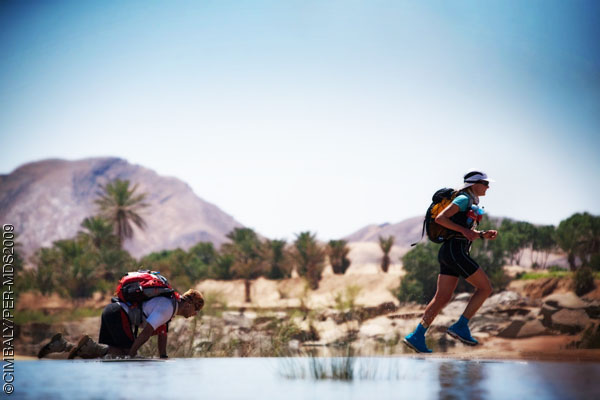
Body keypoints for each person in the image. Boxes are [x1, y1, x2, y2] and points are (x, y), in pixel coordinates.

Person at [403, 170, 498, 353]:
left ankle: (417, 335)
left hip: (450, 251)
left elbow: (463, 230)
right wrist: (465, 232)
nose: (488, 187)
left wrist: (481, 234)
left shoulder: (469, 201)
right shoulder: (463, 199)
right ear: (474, 184)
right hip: (455, 252)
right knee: (485, 288)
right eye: (485, 184)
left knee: (442, 297)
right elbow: (441, 219)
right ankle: (461, 326)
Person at [38, 288, 204, 359]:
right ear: (189, 304)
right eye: (196, 310)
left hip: (112, 311)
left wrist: (163, 356)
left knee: (107, 355)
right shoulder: (168, 307)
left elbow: (162, 334)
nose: (194, 315)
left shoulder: (170, 304)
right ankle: (84, 345)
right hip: (118, 315)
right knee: (122, 353)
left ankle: (63, 345)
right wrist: (131, 354)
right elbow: (146, 333)